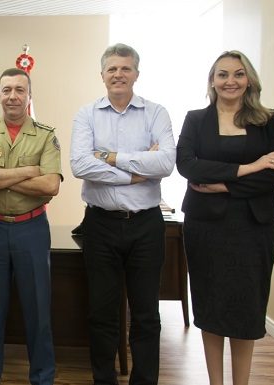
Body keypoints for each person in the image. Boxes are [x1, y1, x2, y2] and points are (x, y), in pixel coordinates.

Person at [176, 50, 274, 385]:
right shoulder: (196, 119)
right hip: (206, 228)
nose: (230, 81)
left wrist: (224, 184)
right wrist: (252, 166)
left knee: (247, 308)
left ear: (249, 79)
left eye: (238, 74)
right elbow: (188, 166)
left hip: (255, 227)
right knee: (210, 307)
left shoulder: (267, 120)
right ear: (212, 81)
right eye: (222, 74)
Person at [70, 43, 176, 385]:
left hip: (145, 225)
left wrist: (111, 157)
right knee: (102, 312)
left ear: (136, 74)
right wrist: (137, 169)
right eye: (112, 69)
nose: (119, 74)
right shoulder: (86, 114)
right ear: (102, 75)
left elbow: (166, 163)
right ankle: (104, 380)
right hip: (100, 223)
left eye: (125, 68)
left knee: (146, 314)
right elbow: (80, 164)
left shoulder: (156, 112)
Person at [0, 68, 62, 385]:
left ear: (29, 95)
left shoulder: (47, 135)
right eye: (6, 89)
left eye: (19, 90)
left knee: (38, 313)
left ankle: (42, 377)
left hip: (31, 231)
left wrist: (2, 179)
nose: (12, 96)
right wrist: (27, 171)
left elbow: (50, 185)